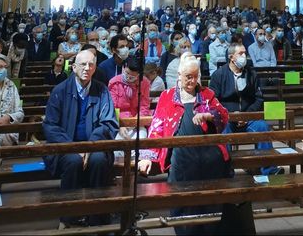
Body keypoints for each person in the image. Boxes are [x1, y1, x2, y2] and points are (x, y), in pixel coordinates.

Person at [138, 53, 239, 236]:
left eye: (196, 76)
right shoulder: (167, 96)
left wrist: (209, 116)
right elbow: (157, 127)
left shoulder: (206, 94)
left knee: (211, 198)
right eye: (188, 77)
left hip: (209, 155)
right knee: (182, 198)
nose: (193, 81)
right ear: (179, 75)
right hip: (182, 157)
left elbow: (224, 116)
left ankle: (212, 228)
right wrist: (147, 157)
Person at [43, 50, 118, 228]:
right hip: (65, 147)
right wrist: (73, 147)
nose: (87, 68)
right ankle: (68, 218)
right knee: (73, 162)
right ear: (74, 67)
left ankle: (98, 218)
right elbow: (50, 126)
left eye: (91, 64)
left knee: (99, 160)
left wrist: (90, 146)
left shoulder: (102, 90)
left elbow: (108, 123)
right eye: (83, 64)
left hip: (95, 145)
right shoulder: (60, 91)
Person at [209, 43, 282, 176]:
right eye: (241, 54)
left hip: (249, 118)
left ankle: (269, 169)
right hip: (227, 119)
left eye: (245, 53)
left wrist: (246, 115)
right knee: (222, 131)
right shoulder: (218, 75)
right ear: (231, 57)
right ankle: (225, 170)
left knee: (262, 127)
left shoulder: (251, 74)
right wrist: (230, 115)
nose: (245, 57)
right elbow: (213, 102)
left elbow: (259, 99)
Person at [108, 55, 151, 140]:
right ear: (124, 67)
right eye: (127, 73)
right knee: (118, 143)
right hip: (119, 122)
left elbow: (144, 106)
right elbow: (112, 107)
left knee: (141, 138)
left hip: (137, 121)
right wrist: (120, 125)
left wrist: (135, 121)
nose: (128, 77)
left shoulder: (144, 83)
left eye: (132, 76)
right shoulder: (114, 83)